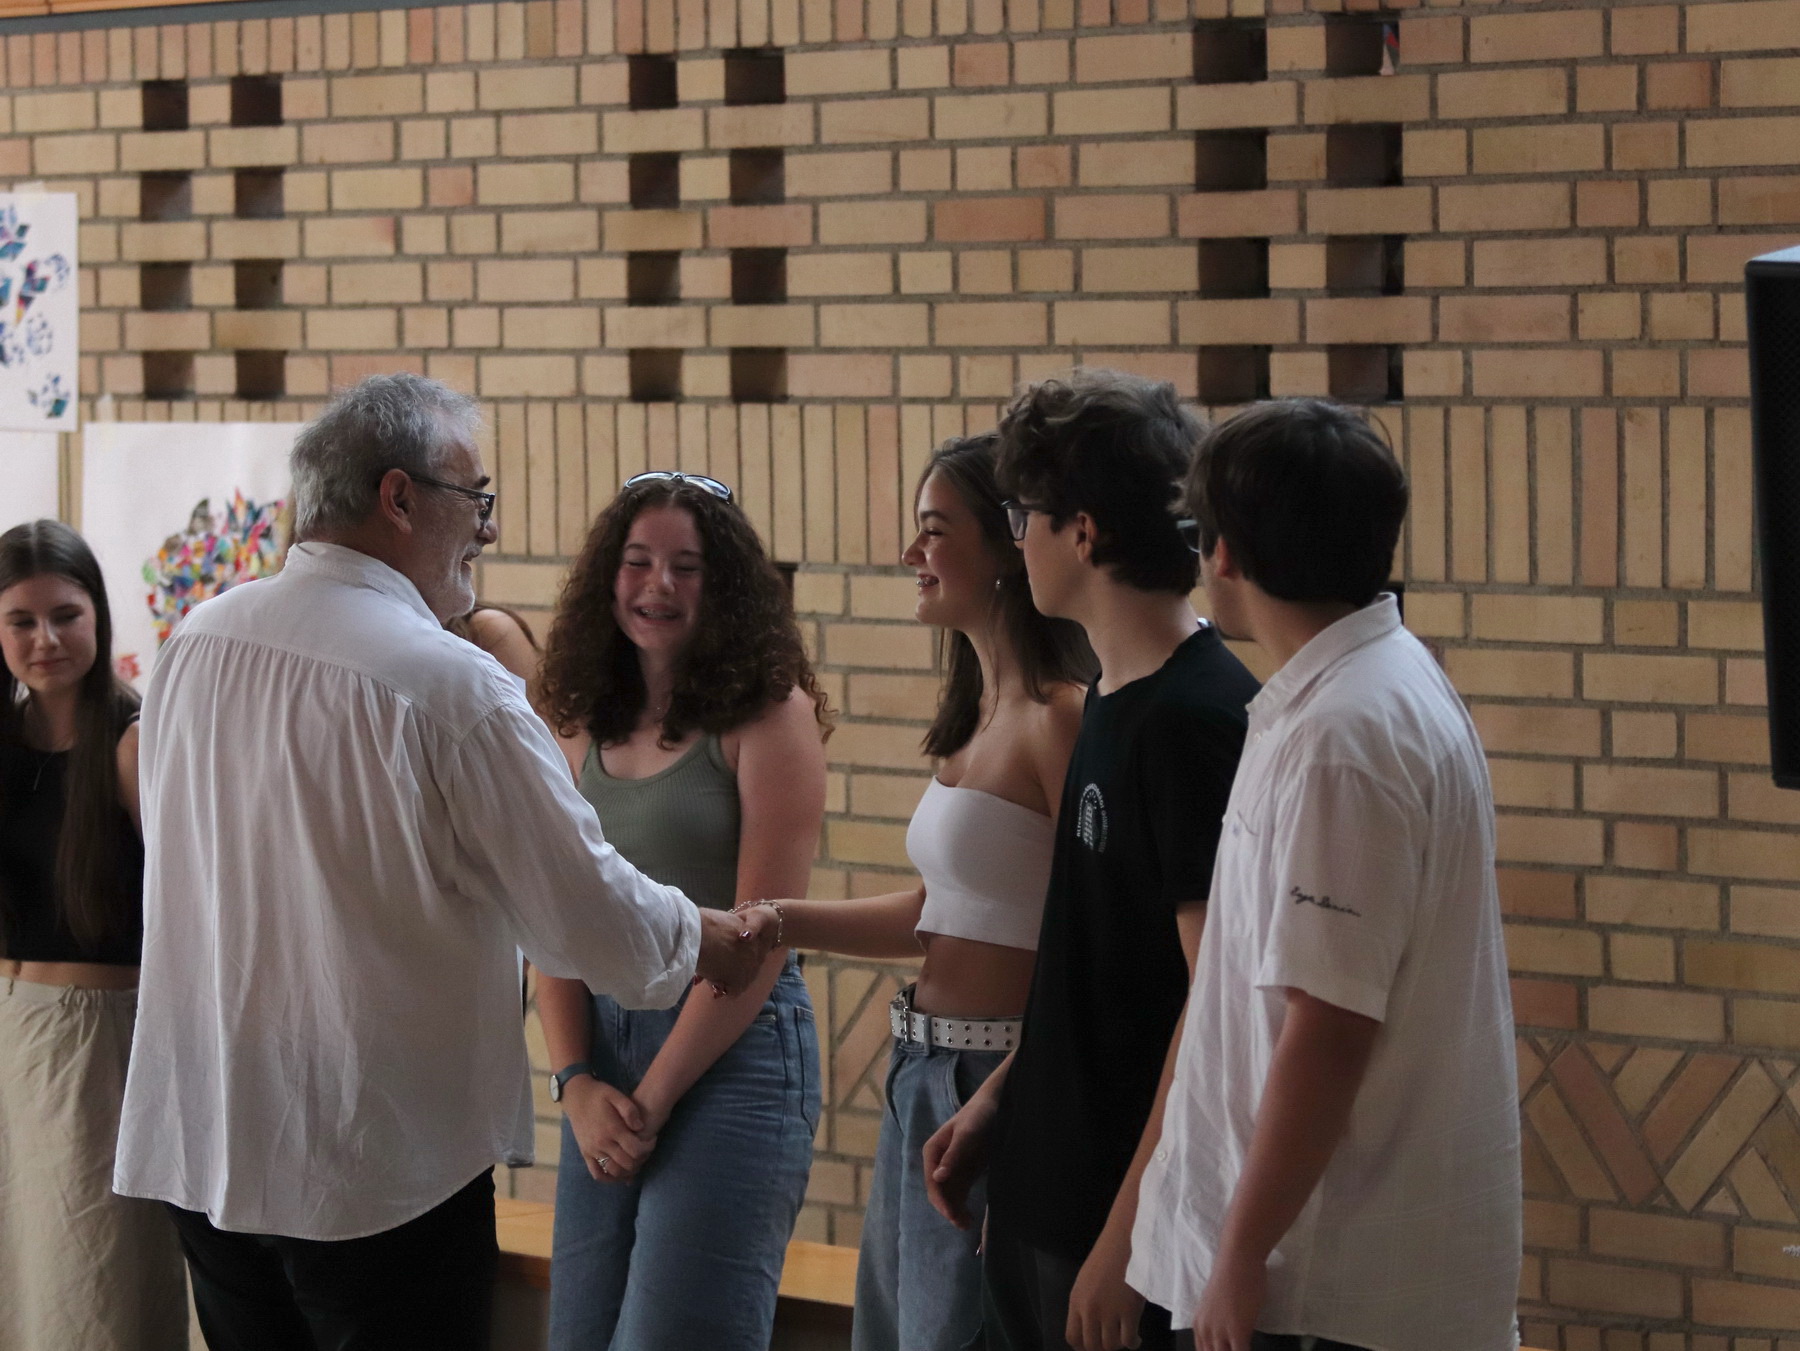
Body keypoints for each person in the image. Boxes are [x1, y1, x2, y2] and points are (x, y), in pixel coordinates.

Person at [112, 375, 777, 1351]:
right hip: (371, 1167)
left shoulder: (194, 646)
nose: (488, 529)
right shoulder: (448, 685)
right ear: (399, 497)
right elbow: (579, 908)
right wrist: (702, 936)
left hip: (206, 1140)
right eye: (477, 498)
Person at [1128, 398, 1520, 1351]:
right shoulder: (1363, 688)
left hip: (1322, 1287)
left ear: (1223, 552)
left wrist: (1239, 1252)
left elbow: (1330, 1026)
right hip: (1320, 1274)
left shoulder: (1344, 736)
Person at [922, 370, 1259, 1351]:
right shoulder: (1112, 695)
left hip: (1117, 1224)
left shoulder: (1196, 721)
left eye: (1022, 515)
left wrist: (1127, 1237)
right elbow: (1091, 963)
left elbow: (1211, 1003)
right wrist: (1002, 1100)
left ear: (1082, 531)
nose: (1015, 538)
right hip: (1043, 1192)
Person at [744, 434, 1091, 1351]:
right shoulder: (979, 716)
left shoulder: (1061, 717)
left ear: (1006, 546)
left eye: (935, 530)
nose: (911, 554)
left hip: (1000, 1082)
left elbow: (1098, 934)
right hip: (922, 1075)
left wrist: (1011, 1093)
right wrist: (775, 921)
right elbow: (944, 912)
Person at [536, 470, 831, 1351]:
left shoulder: (770, 715)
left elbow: (759, 937)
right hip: (602, 1057)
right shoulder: (575, 718)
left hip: (730, 1051)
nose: (657, 584)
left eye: (686, 566)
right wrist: (575, 1081)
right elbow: (553, 916)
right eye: (637, 561)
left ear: (724, 584)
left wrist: (654, 1097)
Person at [0, 520, 187, 1351]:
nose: (45, 639)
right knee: (20, 1287)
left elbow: (189, 905)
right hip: (12, 1030)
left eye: (65, 615)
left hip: (93, 1043)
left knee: (89, 1291)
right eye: (21, 620)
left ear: (98, 617)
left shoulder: (132, 740)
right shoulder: (6, 741)